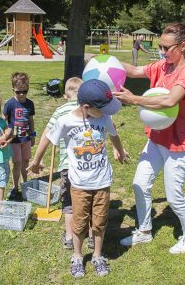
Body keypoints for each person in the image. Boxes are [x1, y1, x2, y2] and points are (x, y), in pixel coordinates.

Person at [28, 79, 129, 278]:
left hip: (102, 182)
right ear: (86, 107)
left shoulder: (104, 117)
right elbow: (48, 138)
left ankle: (98, 256)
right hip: (79, 184)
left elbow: (114, 135)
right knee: (80, 222)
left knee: (99, 222)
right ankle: (77, 256)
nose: (107, 111)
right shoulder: (66, 121)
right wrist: (37, 159)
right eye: (103, 108)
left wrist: (120, 151)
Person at [114, 22, 185, 254]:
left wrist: (135, 100)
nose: (162, 51)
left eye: (166, 47)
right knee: (139, 183)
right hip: (155, 140)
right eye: (160, 46)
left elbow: (169, 101)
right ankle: (145, 231)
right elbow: (133, 71)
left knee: (174, 197)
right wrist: (104, 62)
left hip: (177, 145)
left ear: (182, 46)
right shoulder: (163, 65)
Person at [34, 77, 94, 250]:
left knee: (69, 202)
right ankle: (90, 236)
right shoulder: (89, 109)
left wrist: (37, 159)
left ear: (65, 96)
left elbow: (47, 134)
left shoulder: (60, 110)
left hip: (68, 166)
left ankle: (69, 237)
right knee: (88, 200)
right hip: (87, 165)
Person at [3, 72, 36, 201]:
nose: (22, 94)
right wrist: (6, 135)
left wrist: (33, 136)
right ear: (13, 90)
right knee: (17, 163)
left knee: (26, 161)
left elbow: (31, 120)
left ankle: (25, 184)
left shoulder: (30, 103)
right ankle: (15, 188)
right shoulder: (10, 104)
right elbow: (3, 120)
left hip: (26, 139)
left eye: (25, 91)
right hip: (14, 141)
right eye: (18, 92)